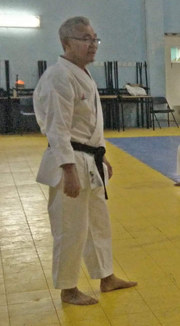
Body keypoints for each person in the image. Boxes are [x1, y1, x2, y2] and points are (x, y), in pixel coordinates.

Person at [33, 16, 136, 305]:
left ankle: (106, 277)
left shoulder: (82, 74)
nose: (93, 45)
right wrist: (68, 170)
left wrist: (101, 157)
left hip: (89, 159)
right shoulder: (58, 75)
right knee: (70, 227)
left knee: (98, 223)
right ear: (66, 43)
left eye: (95, 39)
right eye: (86, 39)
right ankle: (68, 288)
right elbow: (57, 128)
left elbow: (90, 124)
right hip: (70, 160)